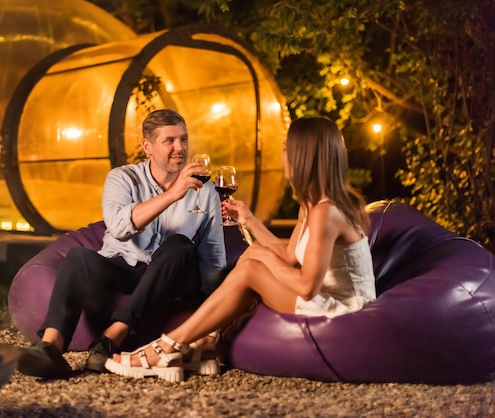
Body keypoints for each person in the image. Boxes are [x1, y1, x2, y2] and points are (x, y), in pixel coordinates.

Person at [104, 116, 377, 383]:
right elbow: (290, 256)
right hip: (325, 298)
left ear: (302, 156)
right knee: (252, 261)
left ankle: (168, 347)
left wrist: (261, 257)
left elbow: (307, 287)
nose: (281, 156)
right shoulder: (313, 205)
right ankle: (205, 344)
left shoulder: (325, 212)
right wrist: (249, 221)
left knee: (252, 268)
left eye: (285, 149)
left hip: (342, 309)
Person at [17, 109, 226, 379]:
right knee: (78, 256)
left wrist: (216, 304)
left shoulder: (205, 190)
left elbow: (212, 252)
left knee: (179, 245)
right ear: (147, 146)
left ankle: (112, 336)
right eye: (170, 141)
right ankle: (51, 346)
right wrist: (173, 195)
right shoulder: (122, 178)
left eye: (183, 140)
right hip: (123, 266)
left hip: (169, 275)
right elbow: (118, 226)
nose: (180, 148)